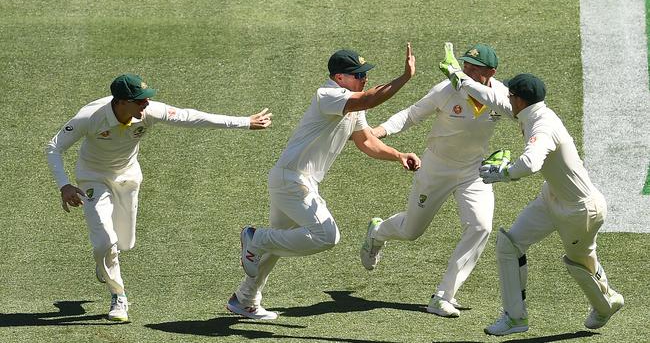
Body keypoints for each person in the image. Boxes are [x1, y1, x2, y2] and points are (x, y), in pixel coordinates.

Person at [45, 74, 273, 322]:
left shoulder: (149, 111)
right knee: (104, 241)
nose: (146, 104)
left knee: (124, 244)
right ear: (121, 102)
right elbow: (54, 147)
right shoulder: (89, 117)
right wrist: (64, 185)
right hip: (93, 179)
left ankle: (105, 263)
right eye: (139, 100)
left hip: (129, 178)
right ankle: (118, 297)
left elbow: (191, 117)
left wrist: (244, 122)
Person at [226, 44, 420, 320]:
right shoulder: (328, 95)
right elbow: (367, 99)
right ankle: (254, 238)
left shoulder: (352, 104)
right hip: (293, 179)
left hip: (293, 180)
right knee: (327, 236)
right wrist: (404, 78)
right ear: (339, 77)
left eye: (364, 74)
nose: (363, 78)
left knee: (275, 248)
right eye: (357, 74)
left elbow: (365, 142)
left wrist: (398, 155)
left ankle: (244, 299)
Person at [439, 49, 624, 335]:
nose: (507, 98)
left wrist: (503, 174)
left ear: (521, 100)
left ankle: (605, 303)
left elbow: (530, 162)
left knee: (580, 262)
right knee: (509, 244)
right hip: (551, 199)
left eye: (512, 94)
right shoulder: (529, 110)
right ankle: (515, 318)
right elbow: (493, 98)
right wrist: (460, 78)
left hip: (579, 210)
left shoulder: (543, 125)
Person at [359, 43, 506, 317]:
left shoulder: (501, 96)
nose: (467, 72)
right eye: (466, 66)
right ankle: (377, 232)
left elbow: (523, 117)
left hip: (473, 172)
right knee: (411, 231)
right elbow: (411, 114)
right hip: (436, 169)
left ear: (492, 72)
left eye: (475, 69)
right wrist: (377, 132)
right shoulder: (447, 90)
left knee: (480, 226)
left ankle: (443, 296)